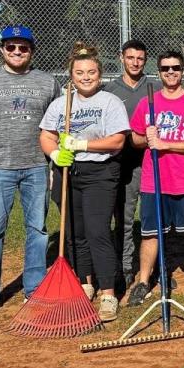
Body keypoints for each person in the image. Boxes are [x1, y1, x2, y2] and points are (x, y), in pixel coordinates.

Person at [0, 26, 61, 322]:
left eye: (23, 48)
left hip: (35, 166)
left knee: (37, 230)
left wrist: (54, 165)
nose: (17, 52)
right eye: (11, 47)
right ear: (2, 49)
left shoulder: (48, 82)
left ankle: (33, 288)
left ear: (32, 50)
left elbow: (56, 125)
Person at [39, 43, 130, 322]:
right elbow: (45, 134)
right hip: (69, 171)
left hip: (100, 174)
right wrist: (55, 153)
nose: (86, 77)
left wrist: (80, 143)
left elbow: (117, 141)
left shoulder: (109, 102)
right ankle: (85, 281)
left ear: (99, 74)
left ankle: (108, 292)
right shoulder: (61, 103)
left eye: (91, 72)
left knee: (97, 232)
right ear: (72, 75)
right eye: (80, 72)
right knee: (74, 233)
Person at [126, 51, 184, 306]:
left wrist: (165, 144)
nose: (171, 72)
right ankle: (143, 281)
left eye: (175, 68)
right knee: (151, 233)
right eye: (165, 68)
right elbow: (135, 138)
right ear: (159, 72)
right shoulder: (147, 104)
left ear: (183, 70)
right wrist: (148, 139)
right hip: (154, 182)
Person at [106, 39, 161, 288]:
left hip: (151, 161)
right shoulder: (109, 90)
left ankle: (156, 269)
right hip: (122, 163)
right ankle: (125, 268)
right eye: (130, 58)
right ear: (121, 58)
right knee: (125, 218)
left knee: (153, 217)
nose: (135, 62)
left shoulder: (155, 87)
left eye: (140, 58)